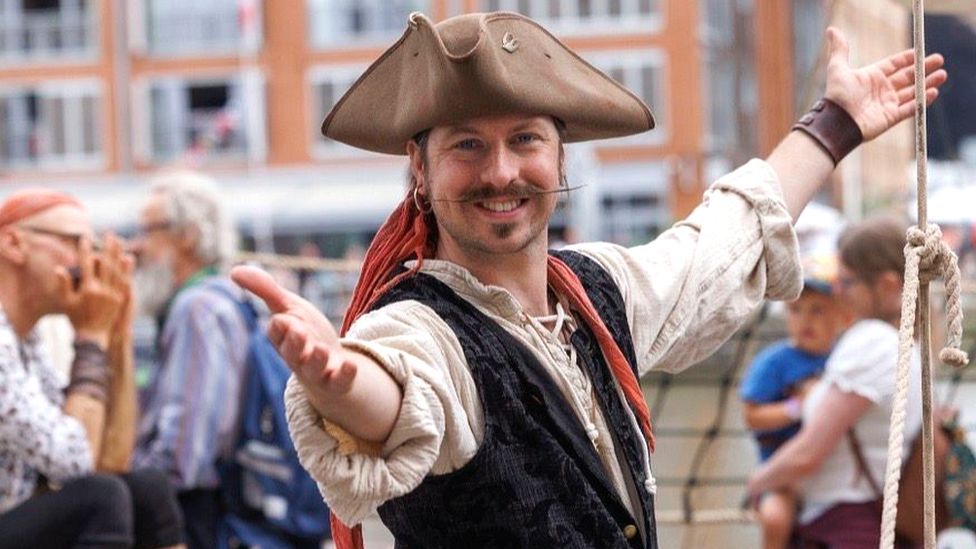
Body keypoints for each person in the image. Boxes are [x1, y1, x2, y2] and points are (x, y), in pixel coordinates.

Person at [230, 12, 947, 549]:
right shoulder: (412, 326)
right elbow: (401, 389)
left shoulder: (597, 289)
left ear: (560, 156)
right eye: (468, 146)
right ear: (420, 170)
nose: (502, 171)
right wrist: (339, 381)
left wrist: (837, 123)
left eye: (525, 140)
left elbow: (722, 243)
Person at [0, 189, 184, 548]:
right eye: (74, 242)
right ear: (13, 244)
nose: (88, 260)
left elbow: (108, 457)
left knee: (147, 488)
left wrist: (116, 333)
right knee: (98, 499)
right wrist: (92, 336)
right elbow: (75, 464)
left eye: (92, 245)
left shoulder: (27, 339)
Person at [747, 216, 923, 548]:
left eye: (847, 281)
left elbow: (808, 454)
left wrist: (757, 482)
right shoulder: (907, 344)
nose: (838, 291)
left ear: (886, 286)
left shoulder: (871, 341)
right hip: (870, 519)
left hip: (840, 524)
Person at [129, 173, 249, 549]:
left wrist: (129, 481)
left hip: (196, 513)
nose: (138, 247)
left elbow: (186, 451)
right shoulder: (224, 296)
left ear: (188, 235)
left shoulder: (197, 308)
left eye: (150, 230)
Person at [740, 253, 848, 549]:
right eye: (797, 310)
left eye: (818, 311)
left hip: (834, 470)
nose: (806, 320)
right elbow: (752, 416)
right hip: (781, 473)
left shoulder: (845, 358)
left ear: (840, 315)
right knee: (775, 519)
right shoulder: (774, 362)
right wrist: (798, 407)